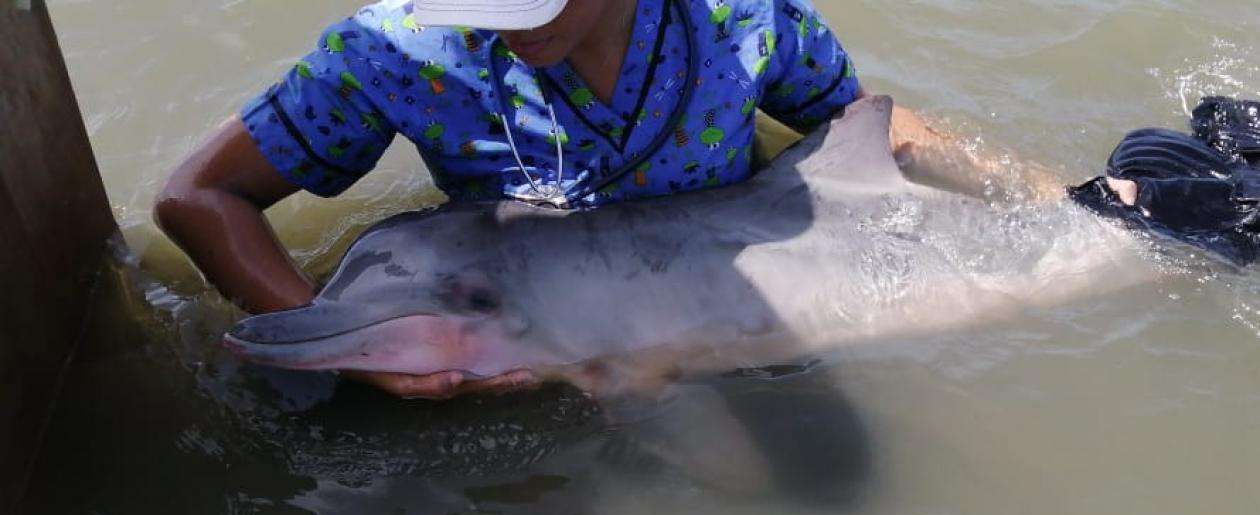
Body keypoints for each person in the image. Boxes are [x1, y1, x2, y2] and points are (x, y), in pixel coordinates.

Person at [155, 0, 1056, 399]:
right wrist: (338, 345)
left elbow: (858, 132)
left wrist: (1063, 198)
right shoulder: (401, 48)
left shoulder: (739, 13)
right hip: (531, 315)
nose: (514, 19)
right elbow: (199, 196)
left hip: (732, 289)